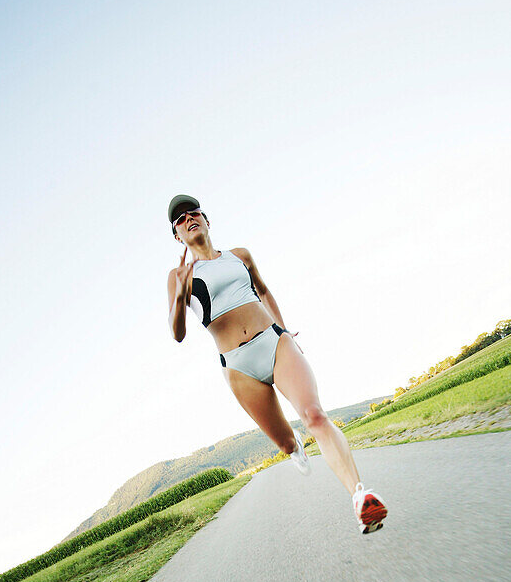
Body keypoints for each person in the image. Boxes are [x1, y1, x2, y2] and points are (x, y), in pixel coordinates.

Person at [166, 194, 388, 534]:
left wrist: (284, 330)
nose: (188, 219)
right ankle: (293, 446)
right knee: (285, 442)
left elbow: (265, 291)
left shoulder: (239, 256)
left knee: (314, 414)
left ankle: (360, 496)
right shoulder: (179, 275)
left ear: (208, 221)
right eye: (180, 219)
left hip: (274, 342)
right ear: (176, 235)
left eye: (194, 213)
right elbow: (178, 333)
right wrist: (181, 298)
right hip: (239, 367)